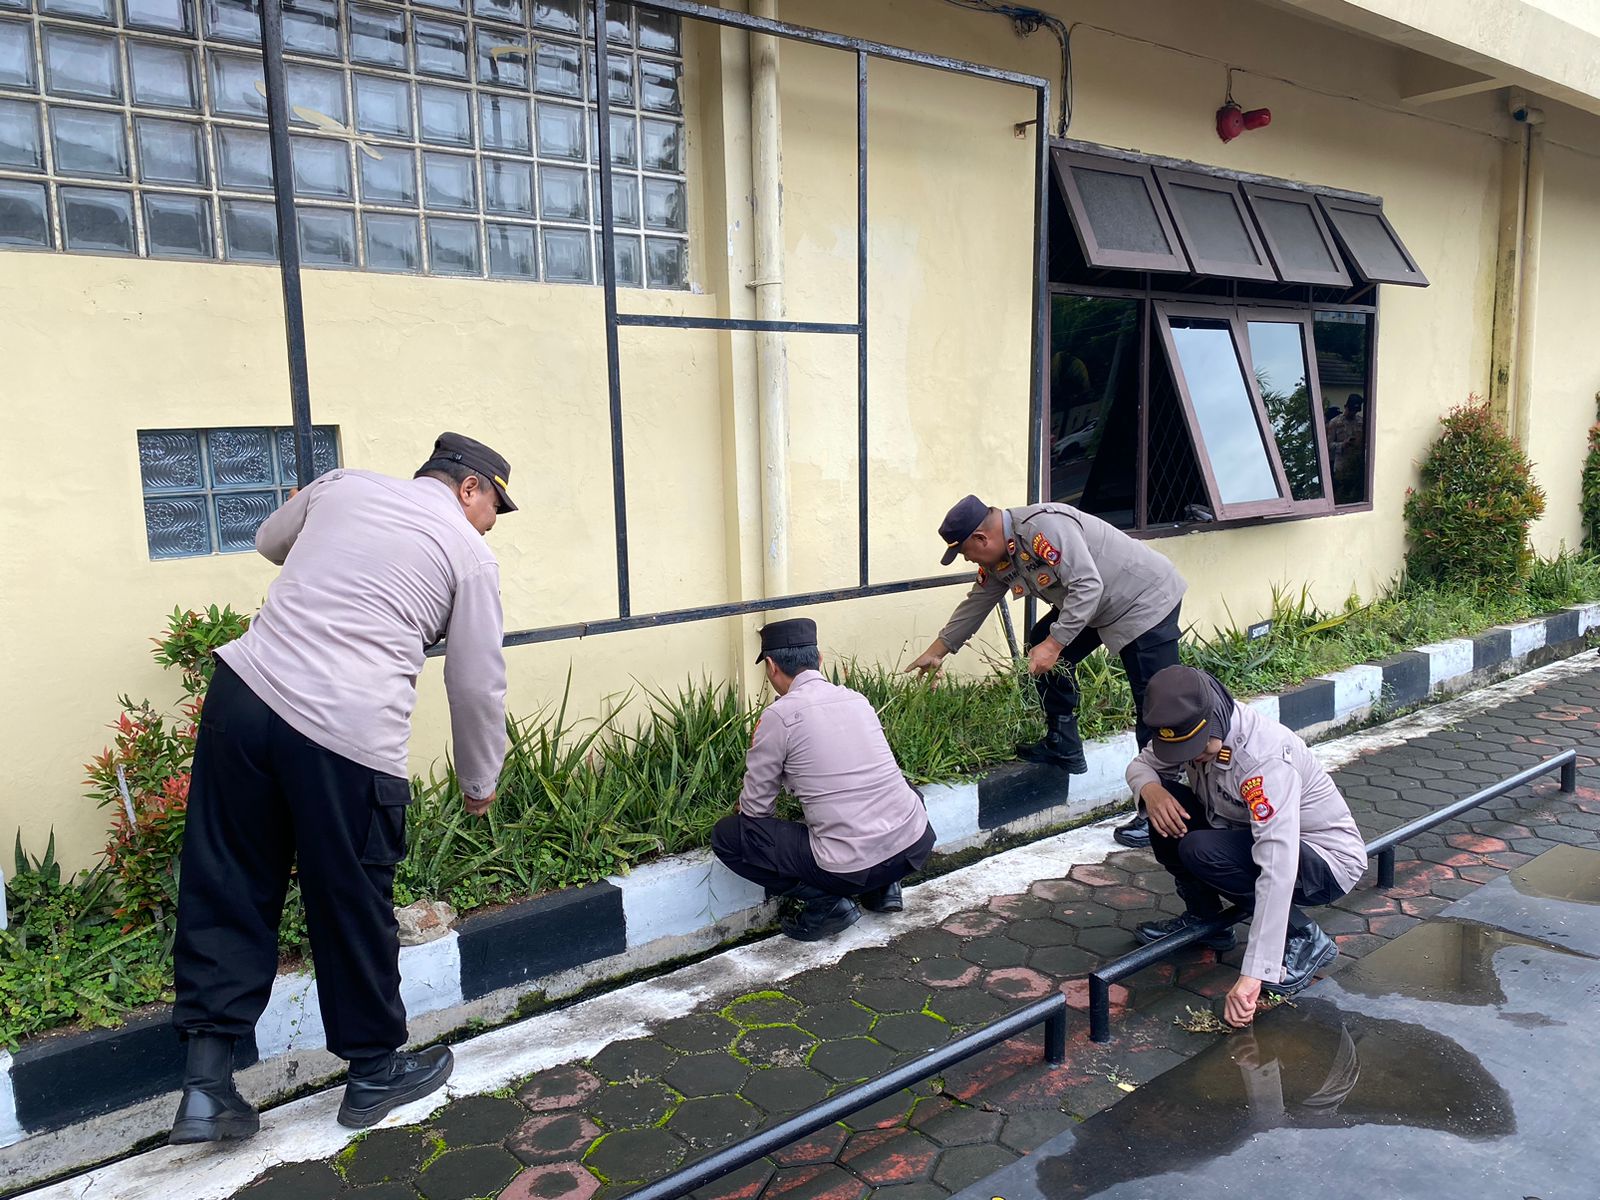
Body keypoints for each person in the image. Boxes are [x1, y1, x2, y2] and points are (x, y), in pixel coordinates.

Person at [168, 433, 514, 1142]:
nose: (491, 525)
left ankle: (206, 1088)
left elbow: (270, 541)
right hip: (345, 731)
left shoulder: (343, 485)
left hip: (245, 696)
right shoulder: (470, 555)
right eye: (494, 509)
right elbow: (476, 683)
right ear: (469, 487)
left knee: (226, 880)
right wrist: (480, 778)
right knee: (349, 897)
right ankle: (373, 1073)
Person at [905, 495, 1186, 848]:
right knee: (1040, 640)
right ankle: (1063, 743)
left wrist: (1055, 645)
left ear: (981, 538)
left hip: (1144, 598)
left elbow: (1087, 586)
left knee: (1155, 702)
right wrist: (937, 651)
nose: (967, 559)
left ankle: (1160, 808)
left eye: (965, 552)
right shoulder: (1002, 554)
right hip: (1096, 605)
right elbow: (978, 601)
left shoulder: (1043, 528)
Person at [1126, 665, 1368, 1027]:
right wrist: (1151, 790)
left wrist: (1255, 971)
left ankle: (1303, 936)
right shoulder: (1189, 725)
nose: (1192, 758)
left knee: (1201, 849)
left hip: (1321, 862)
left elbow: (1277, 863)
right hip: (1247, 836)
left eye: (1198, 749)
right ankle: (1207, 920)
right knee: (1167, 806)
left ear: (1215, 723)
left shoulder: (1264, 759)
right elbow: (1142, 765)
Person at [712, 618, 935, 942]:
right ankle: (884, 889)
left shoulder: (779, 716)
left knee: (730, 836)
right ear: (819, 658)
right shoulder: (857, 699)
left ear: (771, 666)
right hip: (914, 846)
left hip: (849, 868)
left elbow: (757, 811)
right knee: (904, 790)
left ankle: (827, 903)